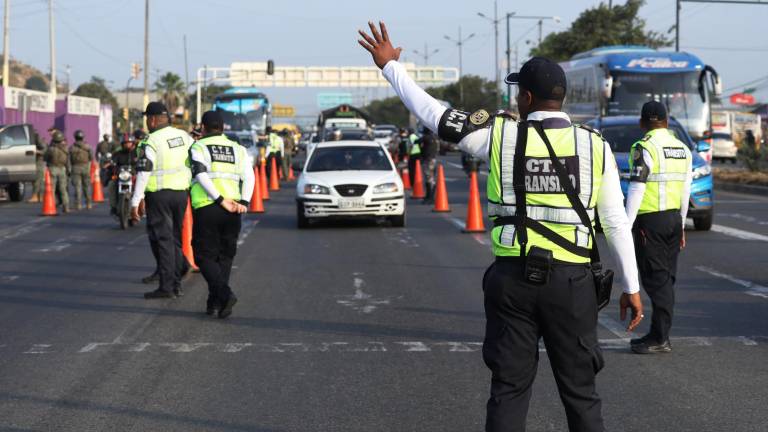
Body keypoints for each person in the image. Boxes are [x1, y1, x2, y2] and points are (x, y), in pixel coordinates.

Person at [358, 22, 644, 432]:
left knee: (509, 390)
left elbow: (435, 115)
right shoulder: (594, 145)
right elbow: (615, 222)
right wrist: (631, 287)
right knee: (581, 394)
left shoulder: (499, 136)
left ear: (526, 97)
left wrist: (391, 68)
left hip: (513, 281)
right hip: (572, 284)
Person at [625, 101, 692, 355]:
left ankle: (661, 337)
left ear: (642, 123)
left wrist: (626, 225)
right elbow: (685, 191)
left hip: (650, 222)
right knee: (666, 278)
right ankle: (657, 333)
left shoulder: (643, 147)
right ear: (667, 121)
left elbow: (636, 188)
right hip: (673, 219)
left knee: (656, 280)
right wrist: (682, 224)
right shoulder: (683, 149)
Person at [189, 111, 255, 318]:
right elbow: (249, 176)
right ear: (223, 127)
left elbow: (200, 174)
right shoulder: (238, 149)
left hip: (208, 206)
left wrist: (219, 199)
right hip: (233, 209)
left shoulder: (199, 147)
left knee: (203, 256)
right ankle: (215, 302)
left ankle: (224, 295)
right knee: (225, 256)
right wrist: (244, 202)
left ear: (203, 127)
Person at [131, 102, 193, 299]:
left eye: (147, 118)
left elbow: (144, 172)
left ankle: (167, 287)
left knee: (164, 240)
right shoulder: (184, 136)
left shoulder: (151, 141)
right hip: (181, 194)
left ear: (152, 119)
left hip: (159, 196)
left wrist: (135, 201)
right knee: (175, 238)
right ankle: (176, 284)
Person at [108, 136, 139, 215]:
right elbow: (113, 163)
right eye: (125, 143)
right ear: (122, 144)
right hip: (121, 176)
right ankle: (113, 206)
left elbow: (143, 162)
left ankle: (143, 207)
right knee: (111, 184)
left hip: (135, 175)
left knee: (143, 186)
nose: (127, 144)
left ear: (132, 143)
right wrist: (111, 166)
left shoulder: (137, 153)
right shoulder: (118, 153)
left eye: (129, 143)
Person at [44, 131, 70, 213]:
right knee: (63, 189)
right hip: (62, 169)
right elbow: (67, 161)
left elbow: (45, 158)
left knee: (52, 189)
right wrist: (68, 171)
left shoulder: (51, 149)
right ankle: (66, 207)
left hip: (52, 168)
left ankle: (52, 205)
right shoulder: (66, 149)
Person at [69, 130, 93, 210]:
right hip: (86, 167)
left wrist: (69, 169)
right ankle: (89, 203)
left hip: (75, 168)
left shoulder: (71, 148)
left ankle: (78, 204)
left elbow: (69, 160)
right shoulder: (88, 147)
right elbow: (91, 158)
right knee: (87, 186)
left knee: (77, 187)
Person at [416, 127, 439, 204]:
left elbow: (417, 141)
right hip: (433, 159)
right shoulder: (435, 138)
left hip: (428, 160)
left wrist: (421, 147)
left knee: (429, 178)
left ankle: (430, 197)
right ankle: (429, 196)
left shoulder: (426, 137)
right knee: (431, 178)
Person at [27, 127, 47, 203]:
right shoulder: (35, 138)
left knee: (37, 180)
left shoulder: (37, 139)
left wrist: (37, 151)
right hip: (36, 161)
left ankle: (35, 196)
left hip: (39, 161)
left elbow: (44, 150)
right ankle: (40, 196)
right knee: (39, 180)